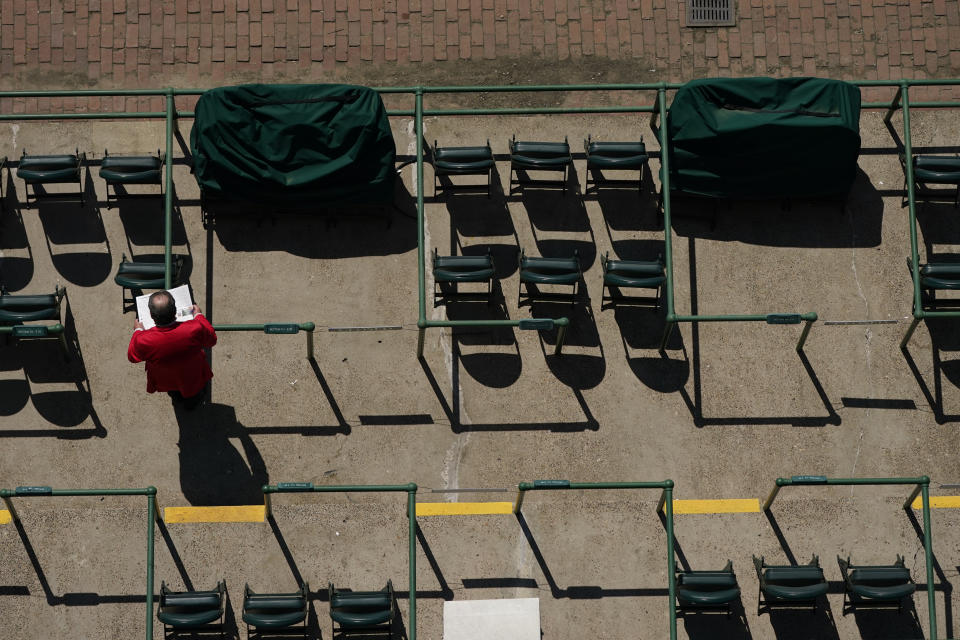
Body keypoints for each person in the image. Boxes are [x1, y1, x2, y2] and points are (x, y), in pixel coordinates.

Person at [128, 290, 217, 410]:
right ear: (175, 311)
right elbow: (211, 340)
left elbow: (132, 357)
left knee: (175, 394)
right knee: (195, 392)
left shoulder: (143, 340)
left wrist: (137, 330)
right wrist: (198, 315)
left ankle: (179, 401)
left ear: (151, 315)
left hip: (166, 378)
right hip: (193, 373)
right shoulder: (194, 328)